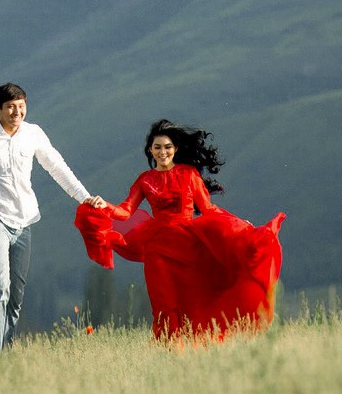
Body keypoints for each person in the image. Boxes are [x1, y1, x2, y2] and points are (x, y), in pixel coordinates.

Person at [74, 118, 285, 340]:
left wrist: (240, 226)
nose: (162, 152)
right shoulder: (145, 180)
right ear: (150, 150)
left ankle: (194, 351)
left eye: (167, 147)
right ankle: (168, 352)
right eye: (157, 147)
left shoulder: (189, 174)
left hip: (188, 246)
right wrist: (103, 205)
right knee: (164, 305)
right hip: (157, 249)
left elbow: (207, 208)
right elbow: (125, 211)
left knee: (194, 300)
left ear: (175, 149)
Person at [0, 82, 108, 348]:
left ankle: (8, 348)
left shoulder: (33, 134)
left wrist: (85, 197)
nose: (17, 112)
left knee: (16, 293)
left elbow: (57, 166)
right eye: (10, 107)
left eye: (21, 106)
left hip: (23, 219)